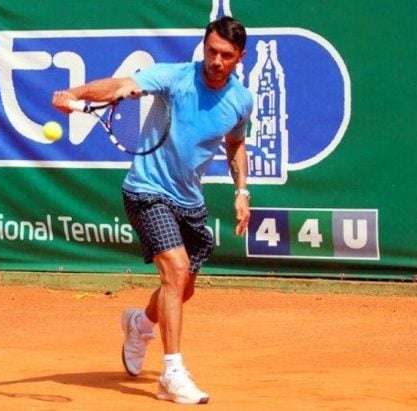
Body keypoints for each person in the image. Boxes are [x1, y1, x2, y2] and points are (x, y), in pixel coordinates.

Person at [52, 16, 252, 405]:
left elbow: (235, 145)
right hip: (146, 190)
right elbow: (120, 85)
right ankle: (172, 373)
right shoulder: (174, 77)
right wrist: (74, 92)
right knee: (175, 270)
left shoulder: (240, 100)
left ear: (238, 58)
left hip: (190, 200)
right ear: (204, 47)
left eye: (225, 55)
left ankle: (140, 324)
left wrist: (241, 190)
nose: (216, 60)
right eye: (211, 50)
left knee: (183, 287)